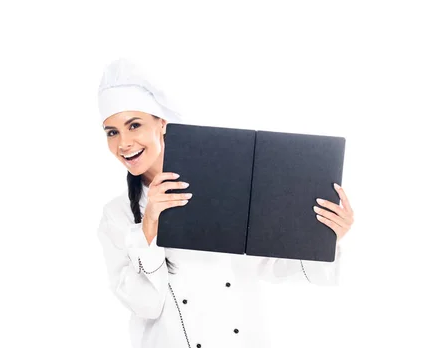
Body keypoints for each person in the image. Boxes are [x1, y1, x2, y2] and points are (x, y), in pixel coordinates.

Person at [96, 58, 355, 348]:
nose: (124, 143)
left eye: (134, 125)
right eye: (112, 132)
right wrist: (148, 226)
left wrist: (325, 236)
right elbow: (145, 305)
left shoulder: (223, 185)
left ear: (162, 123)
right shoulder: (116, 215)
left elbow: (271, 265)